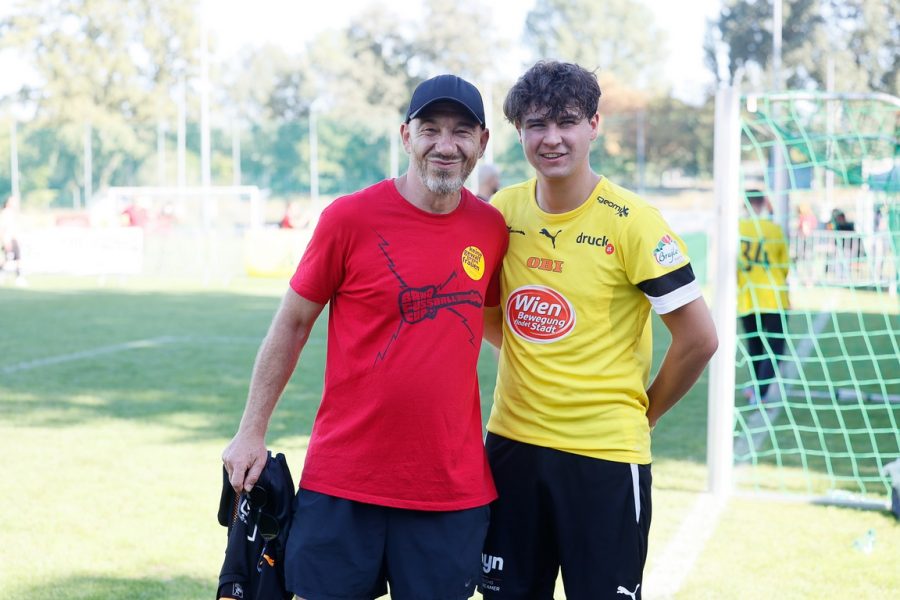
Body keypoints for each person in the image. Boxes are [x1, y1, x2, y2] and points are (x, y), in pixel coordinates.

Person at [222, 74, 508, 600]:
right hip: (344, 482)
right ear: (406, 135)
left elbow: (495, 325)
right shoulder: (349, 218)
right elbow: (292, 323)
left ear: (482, 142)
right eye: (430, 129)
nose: (445, 145)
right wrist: (250, 432)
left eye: (462, 131)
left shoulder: (492, 230)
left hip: (449, 488)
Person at [479, 61, 717, 600]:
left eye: (567, 121)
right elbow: (485, 310)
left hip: (604, 457)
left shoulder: (633, 221)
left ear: (593, 125)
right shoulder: (503, 211)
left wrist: (644, 414)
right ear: (519, 132)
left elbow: (699, 339)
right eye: (537, 124)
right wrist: (532, 359)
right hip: (512, 448)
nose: (552, 138)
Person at [738, 190, 790, 404]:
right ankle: (760, 392)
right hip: (773, 297)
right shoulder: (773, 229)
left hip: (747, 298)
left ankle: (757, 388)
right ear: (765, 203)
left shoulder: (736, 229)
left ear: (745, 204)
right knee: (775, 347)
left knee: (755, 347)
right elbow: (784, 267)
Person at [0, 194, 25, 286]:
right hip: (8, 239)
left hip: (14, 239)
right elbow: (3, 228)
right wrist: (5, 241)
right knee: (7, 260)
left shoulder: (13, 214)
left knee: (18, 259)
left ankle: (19, 277)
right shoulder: (5, 213)